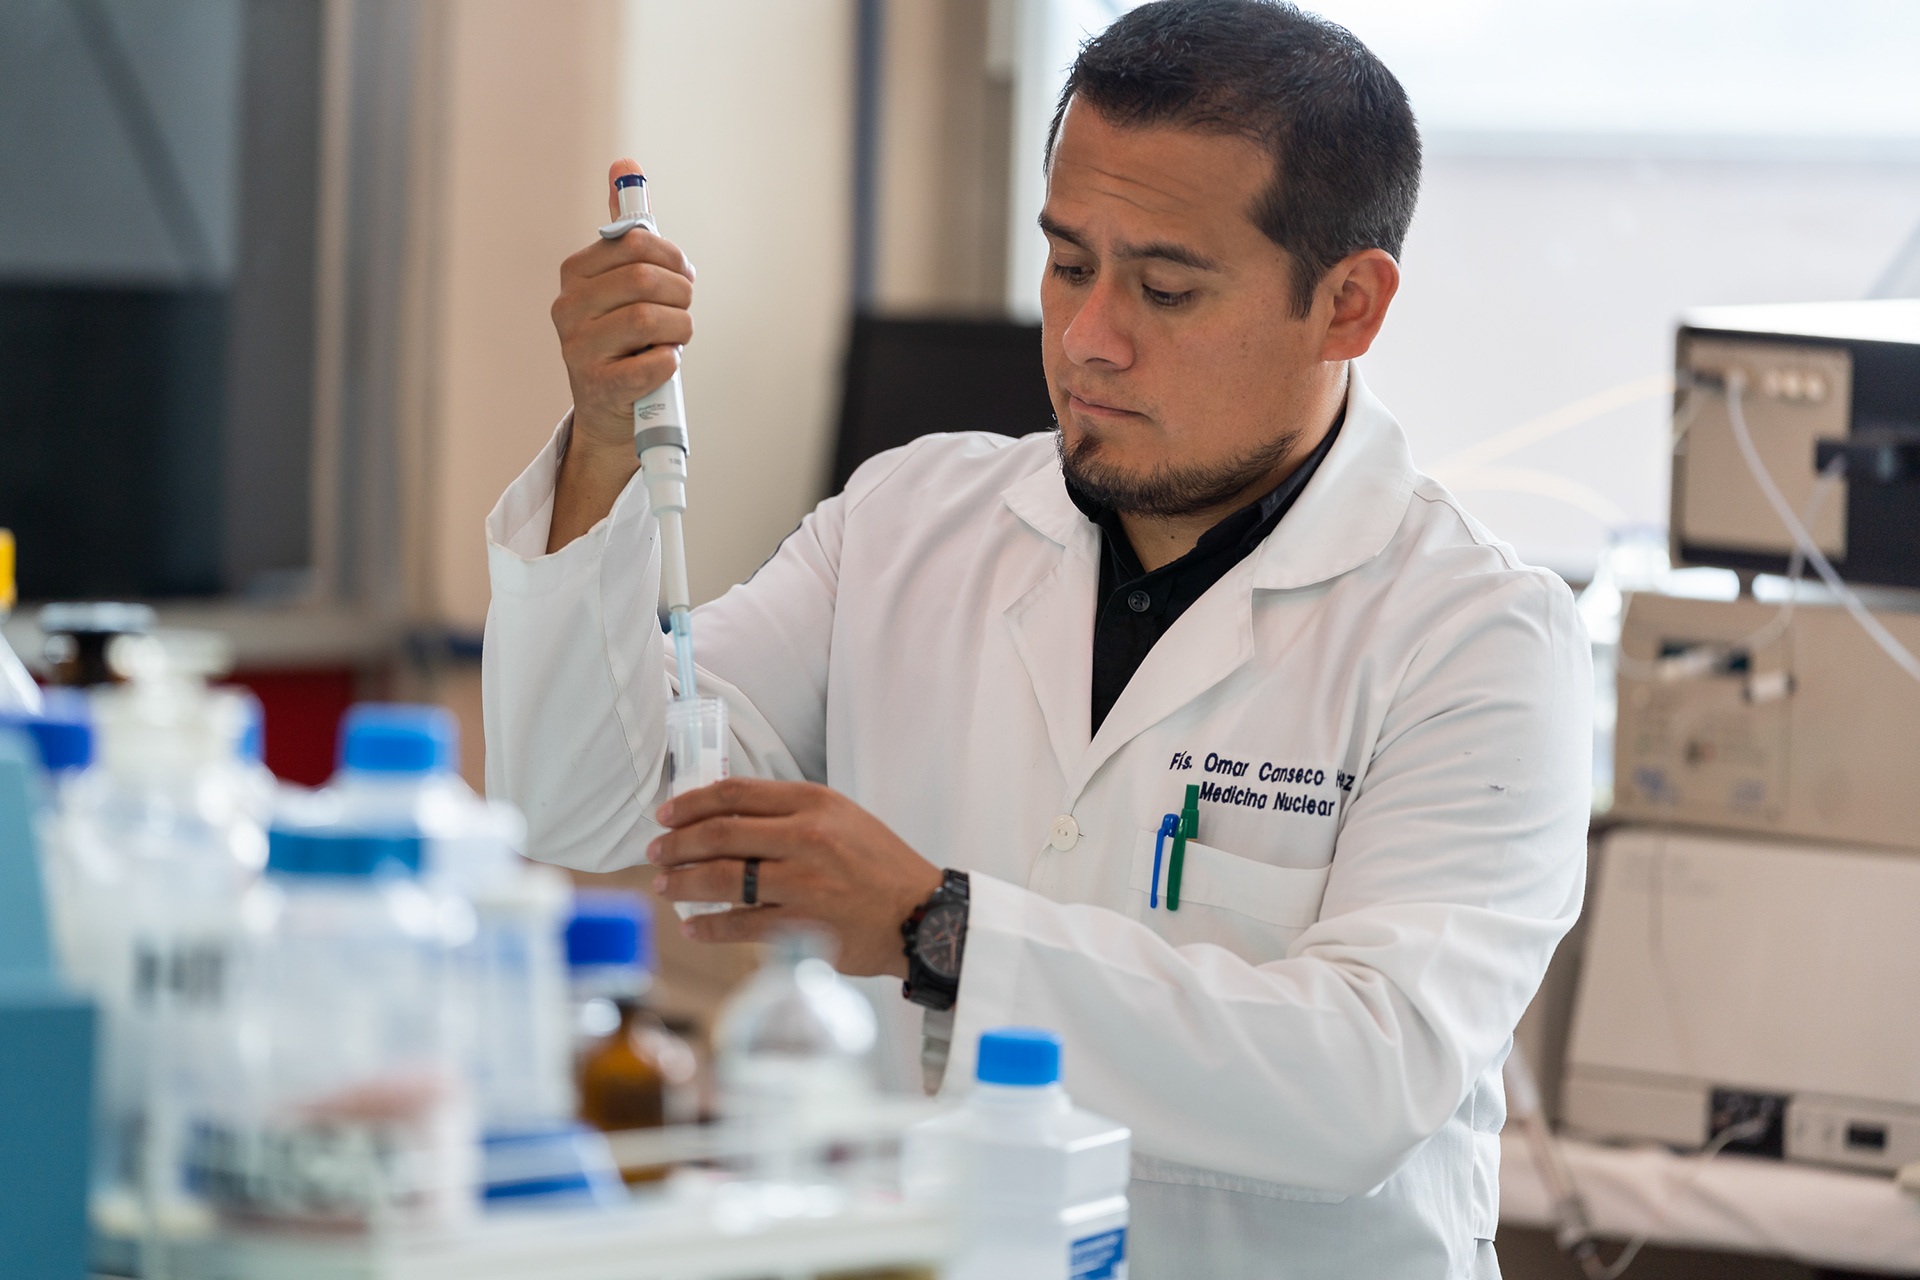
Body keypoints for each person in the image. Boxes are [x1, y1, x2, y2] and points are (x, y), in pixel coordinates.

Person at [482, 1, 1590, 1274]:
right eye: (1068, 265)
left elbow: (1363, 1079)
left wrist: (935, 928)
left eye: (1165, 289)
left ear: (1348, 303)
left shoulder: (1478, 636)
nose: (1087, 339)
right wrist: (608, 439)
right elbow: (583, 805)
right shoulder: (907, 522)